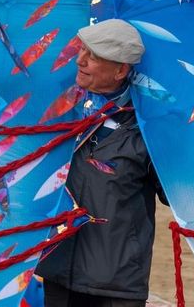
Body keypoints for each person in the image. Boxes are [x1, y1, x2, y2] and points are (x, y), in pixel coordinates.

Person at [35, 19, 168, 307]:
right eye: (82, 51)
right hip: (58, 269)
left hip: (115, 284)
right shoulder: (61, 111)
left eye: (94, 56)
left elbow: (178, 196)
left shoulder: (149, 128)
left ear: (121, 70)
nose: (80, 61)